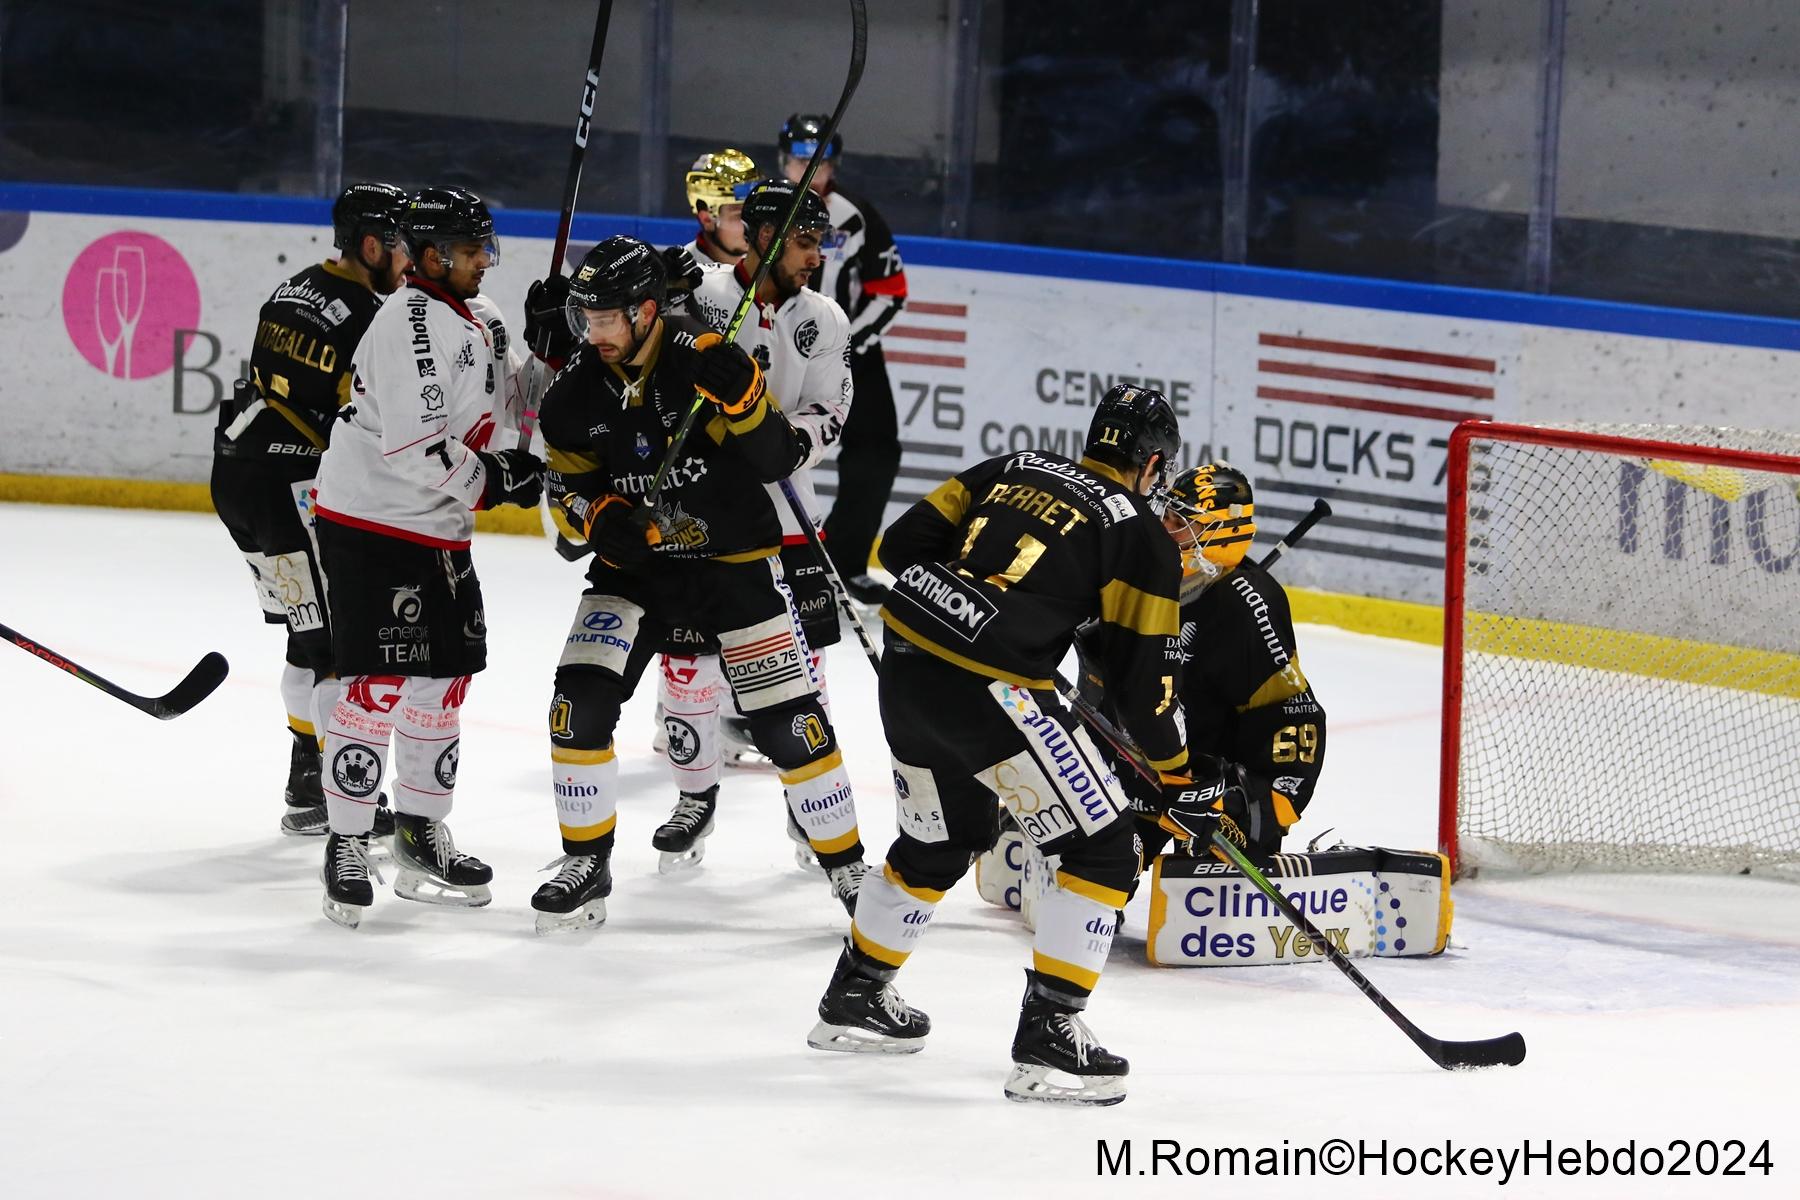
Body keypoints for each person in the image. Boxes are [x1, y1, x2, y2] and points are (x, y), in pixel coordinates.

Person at [806, 386, 1193, 1107]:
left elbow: (896, 549)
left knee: (942, 841)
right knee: (1103, 846)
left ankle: (855, 995)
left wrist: (989, 609)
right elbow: (1147, 683)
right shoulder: (1135, 528)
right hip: (993, 691)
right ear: (1152, 462)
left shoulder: (1011, 464)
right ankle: (1052, 1035)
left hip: (910, 669)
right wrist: (1174, 773)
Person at [520, 235, 867, 934]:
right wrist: (600, 513)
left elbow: (773, 461)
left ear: (648, 310)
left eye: (608, 318)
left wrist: (746, 402)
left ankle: (850, 870)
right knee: (576, 706)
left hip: (734, 566)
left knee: (790, 725)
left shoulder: (703, 359)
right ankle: (585, 860)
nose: (595, 333)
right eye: (587, 319)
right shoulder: (572, 394)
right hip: (637, 573)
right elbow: (566, 493)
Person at [310, 187, 544, 929]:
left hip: (435, 524)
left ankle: (418, 829)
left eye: (486, 247)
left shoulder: (486, 315)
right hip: (373, 520)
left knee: (443, 681)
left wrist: (558, 341)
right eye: (473, 250)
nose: (486, 260)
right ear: (433, 254)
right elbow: (414, 446)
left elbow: (520, 402)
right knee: (377, 683)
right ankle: (347, 840)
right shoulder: (406, 323)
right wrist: (494, 482)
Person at [644, 178, 856, 872]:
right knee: (688, 665)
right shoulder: (702, 296)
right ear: (763, 237)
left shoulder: (824, 318)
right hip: (700, 518)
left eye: (820, 242)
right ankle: (694, 797)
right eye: (803, 241)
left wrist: (782, 445)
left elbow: (829, 411)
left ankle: (809, 811)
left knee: (806, 675)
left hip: (790, 517)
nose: (815, 255)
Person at [210, 181, 409, 837]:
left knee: (306, 630)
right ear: (372, 244)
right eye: (403, 244)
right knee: (337, 643)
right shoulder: (368, 316)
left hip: (238, 474)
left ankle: (305, 769)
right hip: (289, 483)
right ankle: (336, 787)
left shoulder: (294, 286)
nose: (412, 258)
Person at [1080, 464, 1326, 866]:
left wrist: (1262, 803)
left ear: (1220, 532)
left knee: (1207, 906)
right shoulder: (1151, 577)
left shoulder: (1247, 606)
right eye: (1168, 515)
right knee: (1097, 871)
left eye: (1181, 522)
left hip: (1205, 789)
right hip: (1139, 766)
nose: (1165, 528)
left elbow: (1292, 713)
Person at [777, 114, 906, 607]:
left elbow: (891, 292)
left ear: (833, 164)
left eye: (818, 161)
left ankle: (845, 561)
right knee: (768, 449)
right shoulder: (764, 210)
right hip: (777, 346)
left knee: (877, 454)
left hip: (851, 354)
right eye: (798, 161)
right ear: (783, 160)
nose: (808, 170)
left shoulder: (856, 216)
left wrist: (847, 340)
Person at [681, 147, 760, 268]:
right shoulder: (682, 277)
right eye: (740, 215)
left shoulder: (775, 269)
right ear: (706, 219)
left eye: (756, 211)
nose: (755, 224)